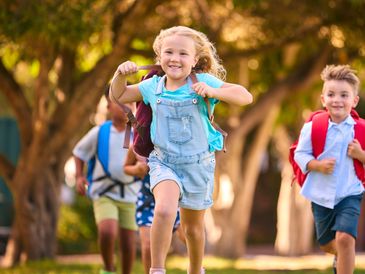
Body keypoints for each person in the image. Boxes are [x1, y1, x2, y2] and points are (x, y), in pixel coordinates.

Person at [109, 26, 253, 274]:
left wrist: (214, 92)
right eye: (169, 52)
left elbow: (245, 96)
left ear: (195, 60)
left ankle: (196, 270)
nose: (175, 58)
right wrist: (120, 74)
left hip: (199, 165)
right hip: (164, 162)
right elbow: (118, 94)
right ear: (160, 56)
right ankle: (157, 270)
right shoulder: (152, 86)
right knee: (164, 210)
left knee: (193, 229)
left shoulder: (202, 82)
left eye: (183, 54)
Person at [294, 64, 365, 274]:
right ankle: (339, 257)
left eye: (344, 95)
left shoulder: (361, 129)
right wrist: (316, 165)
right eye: (331, 94)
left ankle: (343, 258)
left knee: (345, 239)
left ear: (354, 101)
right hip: (320, 195)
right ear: (323, 99)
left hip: (350, 193)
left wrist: (360, 155)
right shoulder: (313, 126)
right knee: (327, 244)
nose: (337, 100)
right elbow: (300, 153)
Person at [73, 86, 140, 274]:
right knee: (107, 232)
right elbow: (79, 153)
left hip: (131, 195)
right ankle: (109, 269)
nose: (126, 107)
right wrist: (79, 176)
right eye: (120, 102)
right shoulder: (100, 132)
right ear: (109, 106)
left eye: (130, 102)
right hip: (104, 192)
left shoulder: (138, 134)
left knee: (128, 243)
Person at [124, 147, 186, 274]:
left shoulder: (172, 139)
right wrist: (137, 169)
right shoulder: (137, 143)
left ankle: (197, 268)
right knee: (147, 246)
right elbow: (126, 167)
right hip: (147, 200)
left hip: (173, 197)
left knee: (188, 235)